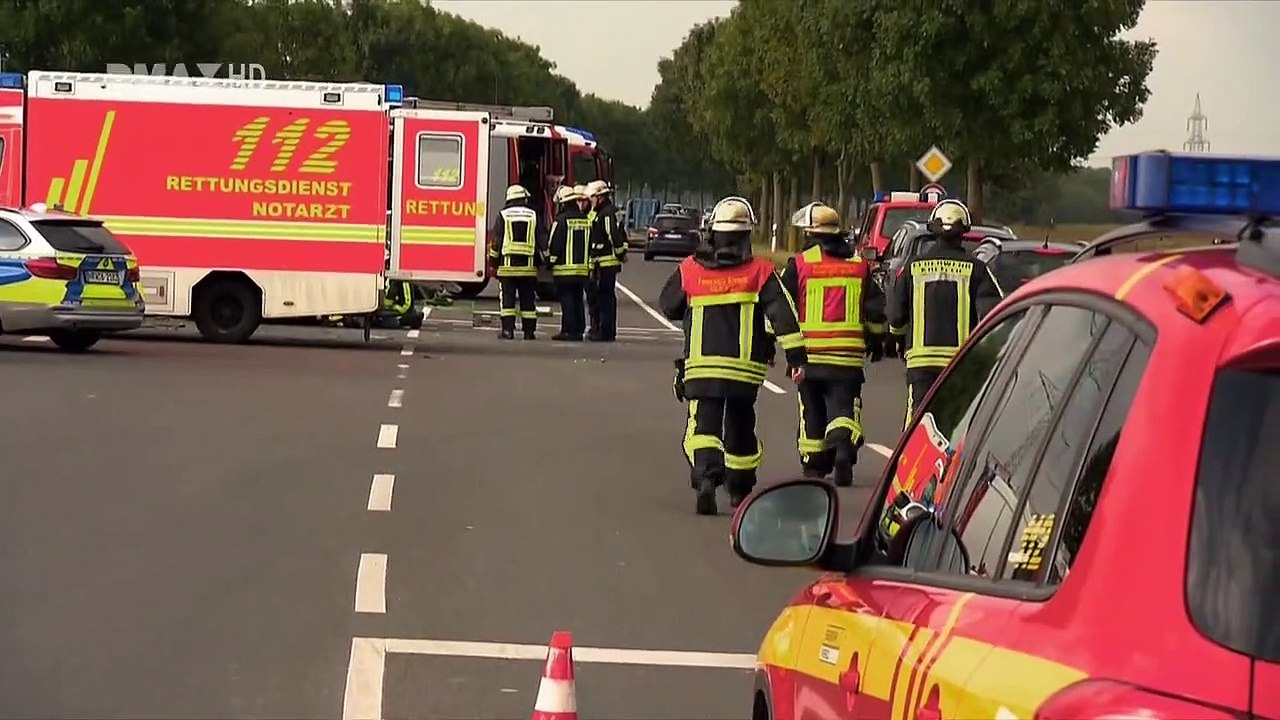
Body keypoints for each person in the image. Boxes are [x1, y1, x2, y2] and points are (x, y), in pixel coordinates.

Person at [660, 196, 808, 516]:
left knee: (703, 427)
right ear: (746, 236)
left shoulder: (689, 270)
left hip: (701, 369)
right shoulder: (761, 272)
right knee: (741, 426)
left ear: (712, 232)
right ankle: (739, 490)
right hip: (743, 372)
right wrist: (797, 359)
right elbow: (784, 316)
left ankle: (706, 480)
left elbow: (668, 305)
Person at [778, 202, 886, 487]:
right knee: (844, 408)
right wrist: (876, 341)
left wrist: (777, 346)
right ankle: (842, 450)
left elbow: (780, 307)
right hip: (848, 359)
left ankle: (814, 467)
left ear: (811, 234)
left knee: (811, 410)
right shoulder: (859, 266)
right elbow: (876, 311)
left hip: (809, 356)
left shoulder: (799, 265)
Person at [888, 199, 1002, 427]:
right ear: (964, 231)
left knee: (918, 422)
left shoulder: (913, 266)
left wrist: (899, 339)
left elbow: (895, 314)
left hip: (921, 361)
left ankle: (913, 462)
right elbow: (993, 314)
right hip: (959, 362)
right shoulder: (977, 268)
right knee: (956, 422)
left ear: (933, 229)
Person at [488, 184, 545, 340]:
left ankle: (508, 331)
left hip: (507, 267)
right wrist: (544, 260)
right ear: (524, 198)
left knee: (508, 301)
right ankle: (529, 332)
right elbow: (542, 240)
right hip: (528, 267)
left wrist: (493, 261)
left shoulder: (503, 215)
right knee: (528, 301)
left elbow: (497, 242)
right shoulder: (534, 215)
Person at [546, 185, 592, 341]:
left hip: (564, 270)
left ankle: (569, 331)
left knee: (567, 301)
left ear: (563, 203)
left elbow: (554, 244)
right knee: (578, 299)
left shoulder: (561, 220)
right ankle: (578, 329)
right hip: (582, 270)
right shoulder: (585, 219)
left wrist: (549, 262)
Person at [584, 179, 626, 342]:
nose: (590, 200)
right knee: (599, 297)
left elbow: (613, 235)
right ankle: (599, 329)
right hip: (599, 262)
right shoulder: (600, 211)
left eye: (592, 197)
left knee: (605, 297)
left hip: (605, 262)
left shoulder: (607, 213)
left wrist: (620, 254)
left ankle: (606, 331)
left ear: (599, 197)